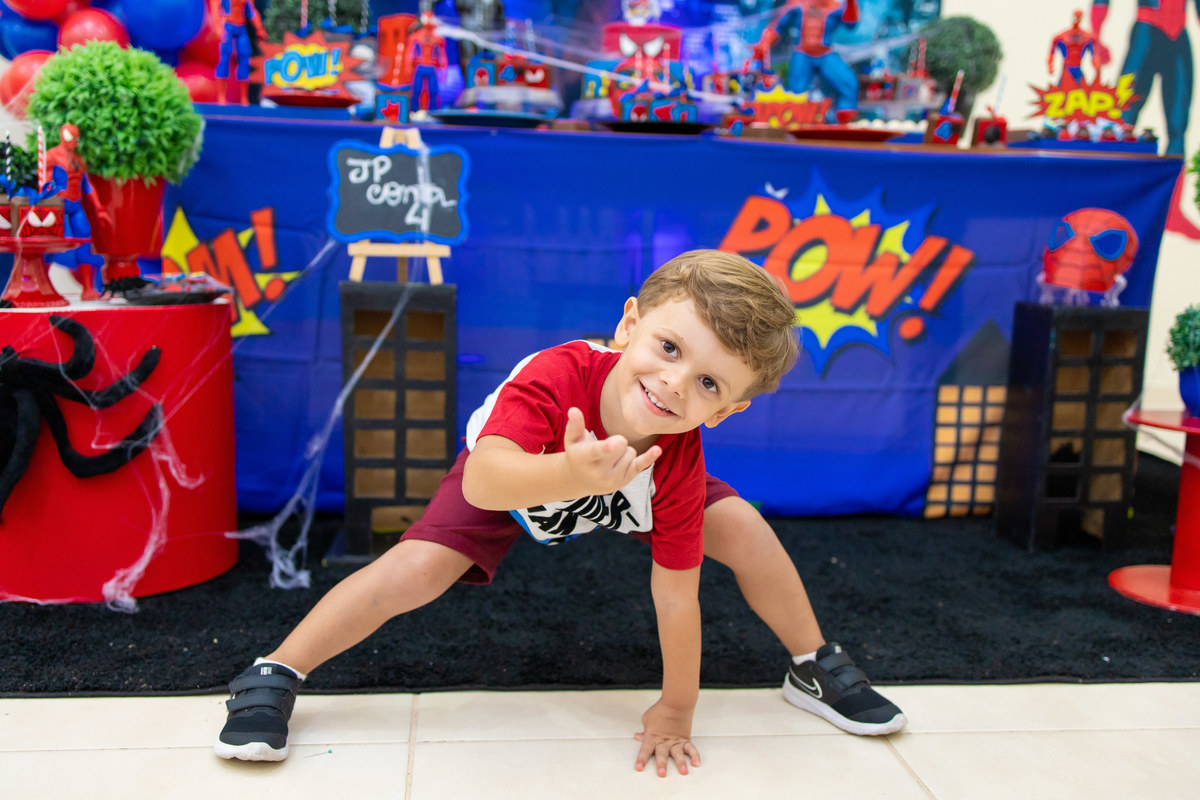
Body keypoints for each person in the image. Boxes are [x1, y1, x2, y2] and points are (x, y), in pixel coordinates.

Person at [214, 250, 905, 775]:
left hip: (629, 481)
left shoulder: (679, 453)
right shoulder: (556, 376)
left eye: (707, 383)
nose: (672, 382)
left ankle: (813, 663)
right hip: (520, 473)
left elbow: (676, 595)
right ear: (628, 324)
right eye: (668, 348)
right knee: (417, 569)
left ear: (726, 411)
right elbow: (486, 484)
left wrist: (677, 705)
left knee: (746, 528)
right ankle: (276, 670)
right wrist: (568, 472)